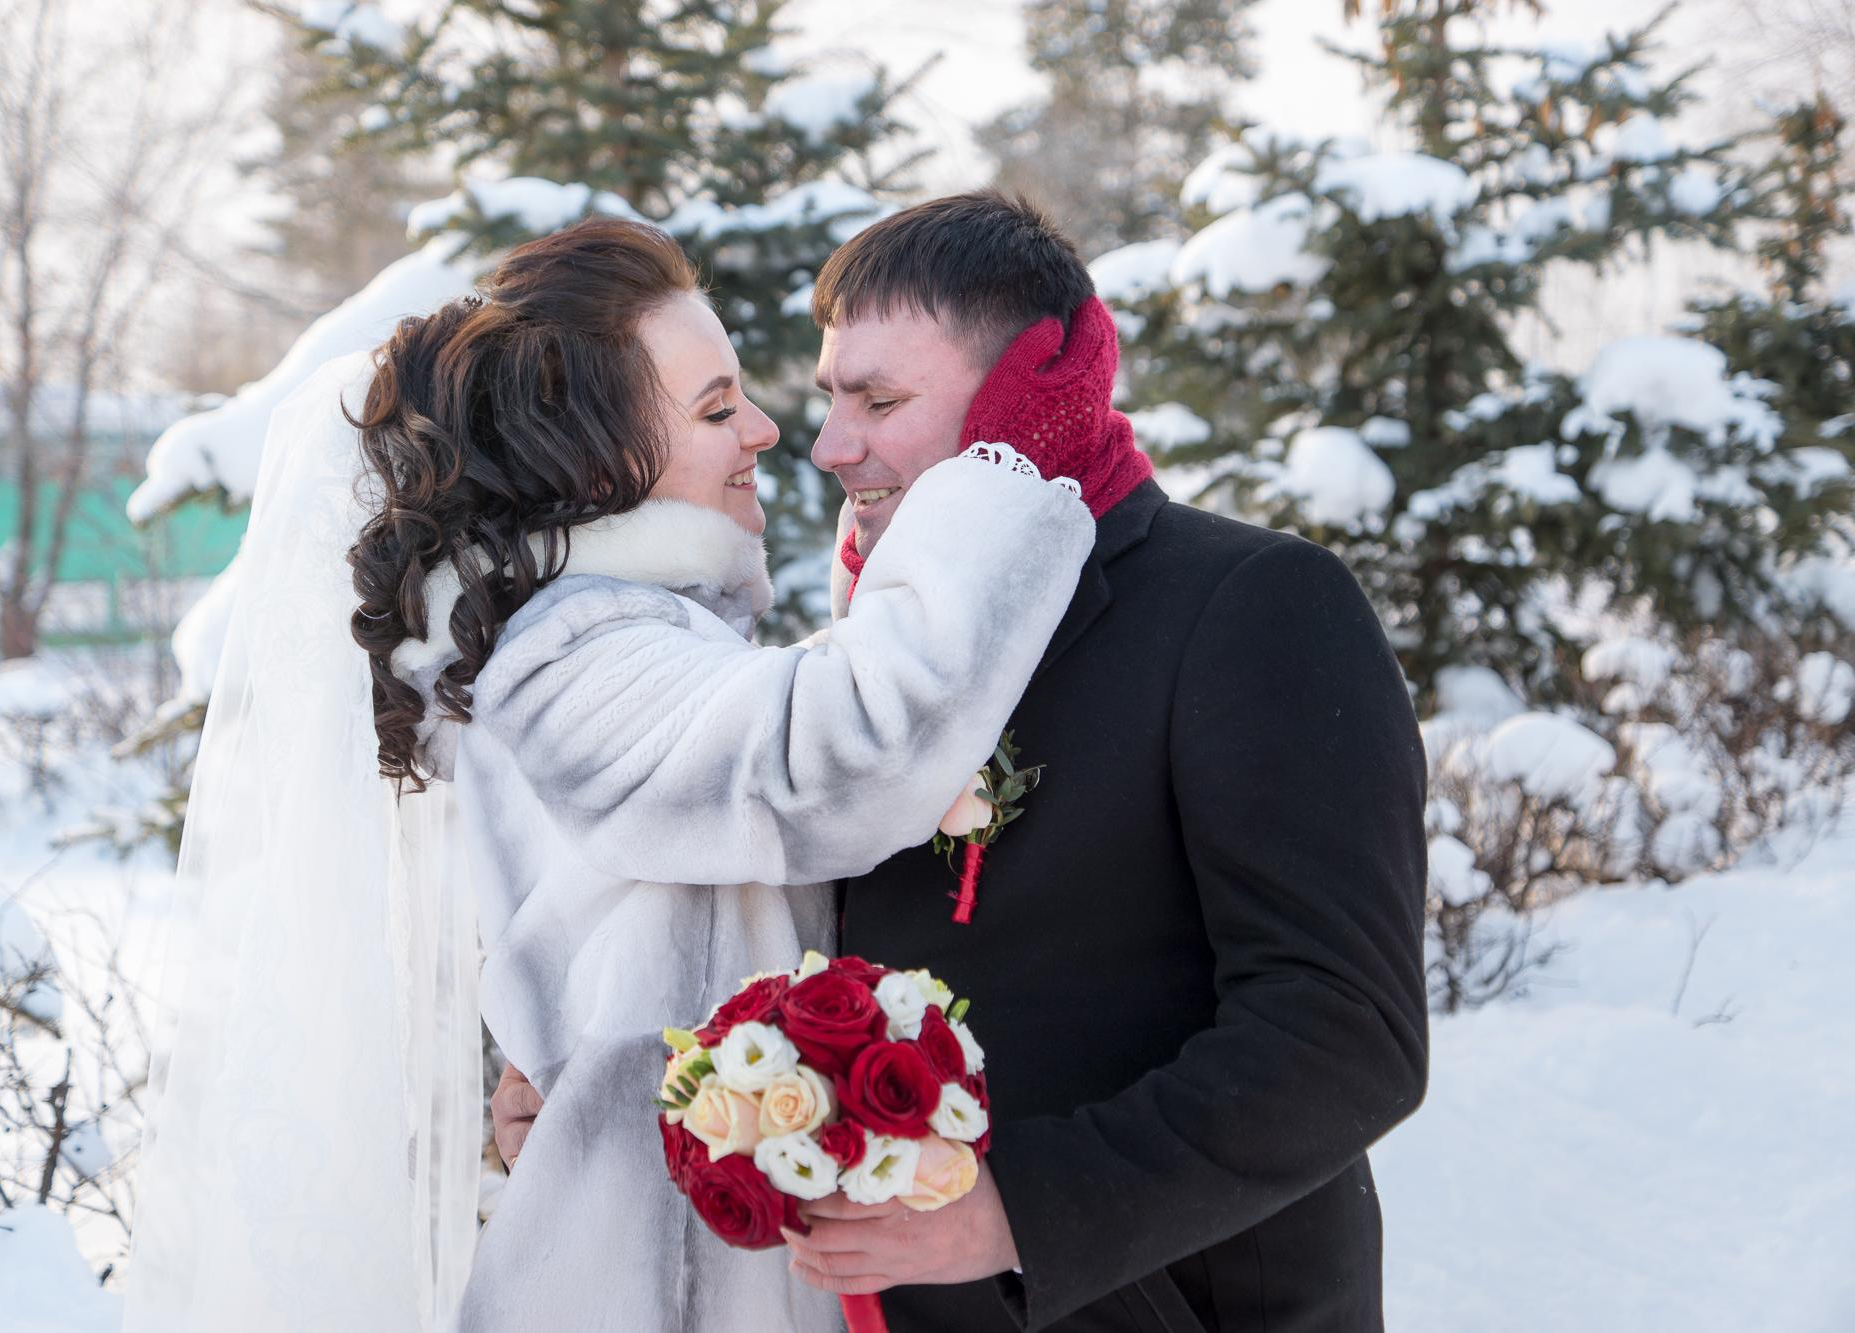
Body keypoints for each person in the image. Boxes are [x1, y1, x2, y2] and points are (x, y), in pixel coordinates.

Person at [120, 217, 1096, 1332]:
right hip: (643, 1282)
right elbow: (833, 754)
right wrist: (1004, 466)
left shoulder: (620, 641)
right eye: (716, 408)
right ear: (596, 468)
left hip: (678, 1256)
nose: (771, 432)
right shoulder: (569, 652)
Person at [499, 192, 1431, 1332]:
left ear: (1014, 409)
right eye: (828, 400)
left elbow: (1343, 1035)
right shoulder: (864, 665)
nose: (830, 447)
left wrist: (1014, 1212)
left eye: (879, 402)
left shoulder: (1248, 606)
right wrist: (580, 1068)